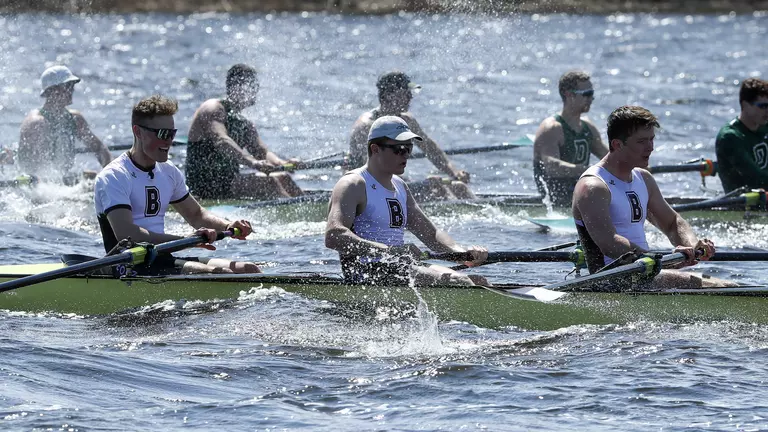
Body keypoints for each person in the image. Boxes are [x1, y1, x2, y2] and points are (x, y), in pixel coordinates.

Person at [572, 105, 737, 289]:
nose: (650, 147)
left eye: (652, 139)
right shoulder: (593, 186)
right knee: (724, 286)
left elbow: (672, 223)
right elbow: (609, 243)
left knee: (726, 284)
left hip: (645, 274)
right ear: (617, 144)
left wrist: (692, 246)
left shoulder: (643, 178)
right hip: (611, 282)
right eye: (642, 141)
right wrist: (664, 261)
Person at [94, 95, 260, 275]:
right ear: (138, 132)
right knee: (221, 275)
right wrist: (186, 240)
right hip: (128, 264)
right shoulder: (114, 176)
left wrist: (227, 226)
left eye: (172, 133)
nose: (169, 141)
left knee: (249, 269)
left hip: (162, 258)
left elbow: (196, 215)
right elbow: (128, 234)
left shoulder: (168, 171)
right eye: (162, 134)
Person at [326, 115, 489, 286]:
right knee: (459, 281)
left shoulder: (400, 186)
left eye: (409, 148)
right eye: (399, 149)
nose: (406, 155)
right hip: (367, 272)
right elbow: (334, 235)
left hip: (400, 267)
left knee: (478, 281)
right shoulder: (353, 184)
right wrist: (390, 251)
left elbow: (431, 235)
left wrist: (461, 252)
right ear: (375, 149)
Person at [348, 71, 474, 201]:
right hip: (367, 188)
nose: (410, 98)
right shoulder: (367, 126)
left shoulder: (407, 121)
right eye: (406, 93)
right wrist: (422, 185)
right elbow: (373, 173)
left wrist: (454, 173)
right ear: (388, 96)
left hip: (394, 182)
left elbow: (430, 149)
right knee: (437, 189)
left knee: (459, 186)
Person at [186, 63, 303, 200]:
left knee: (284, 177)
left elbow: (261, 152)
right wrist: (252, 162)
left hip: (229, 182)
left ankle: (306, 207)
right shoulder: (213, 108)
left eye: (255, 87)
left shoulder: (243, 123)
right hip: (204, 185)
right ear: (236, 87)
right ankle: (295, 209)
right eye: (251, 86)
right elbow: (222, 140)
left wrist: (282, 163)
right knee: (268, 183)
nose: (254, 92)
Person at [18, 65, 112, 181]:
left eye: (72, 86)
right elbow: (35, 168)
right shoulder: (37, 123)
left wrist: (108, 173)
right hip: (37, 185)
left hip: (61, 180)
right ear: (53, 91)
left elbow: (99, 148)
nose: (72, 90)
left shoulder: (75, 119)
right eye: (67, 86)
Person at [533, 70, 608, 207]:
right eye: (586, 94)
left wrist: (634, 166)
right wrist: (589, 170)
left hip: (582, 192)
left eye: (592, 94)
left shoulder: (588, 128)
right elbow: (552, 167)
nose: (591, 99)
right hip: (557, 197)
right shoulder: (551, 129)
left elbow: (609, 159)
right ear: (568, 95)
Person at [715, 77, 768, 193]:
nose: (767, 111)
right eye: (763, 106)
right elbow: (756, 179)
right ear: (745, 105)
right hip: (740, 204)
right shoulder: (730, 137)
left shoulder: (765, 127)